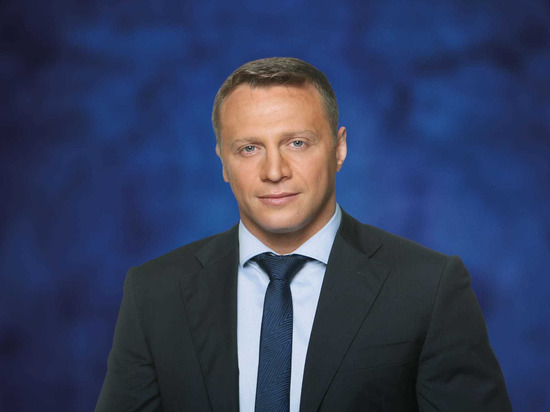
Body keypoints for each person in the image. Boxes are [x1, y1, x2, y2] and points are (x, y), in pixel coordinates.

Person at [96, 57, 512, 411]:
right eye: (249, 148)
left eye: (296, 143)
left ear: (339, 149)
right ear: (223, 162)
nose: (274, 171)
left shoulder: (428, 287)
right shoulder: (154, 293)